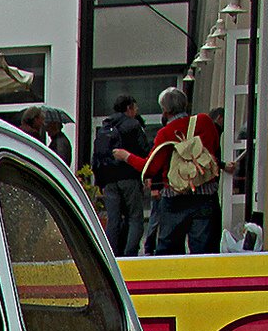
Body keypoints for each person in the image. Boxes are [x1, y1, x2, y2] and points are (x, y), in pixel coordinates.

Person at [115, 86, 231, 255]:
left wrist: (125, 156)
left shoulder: (165, 133)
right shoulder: (205, 122)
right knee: (205, 252)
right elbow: (213, 151)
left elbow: (150, 169)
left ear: (165, 110)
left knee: (170, 252)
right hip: (206, 196)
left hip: (176, 199)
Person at [92, 94, 150, 257]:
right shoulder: (133, 125)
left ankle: (112, 254)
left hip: (109, 180)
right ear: (129, 108)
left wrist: (100, 181)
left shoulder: (105, 127)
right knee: (135, 217)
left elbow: (97, 155)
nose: (136, 111)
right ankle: (130, 253)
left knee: (113, 219)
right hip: (129, 177)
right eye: (135, 107)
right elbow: (145, 150)